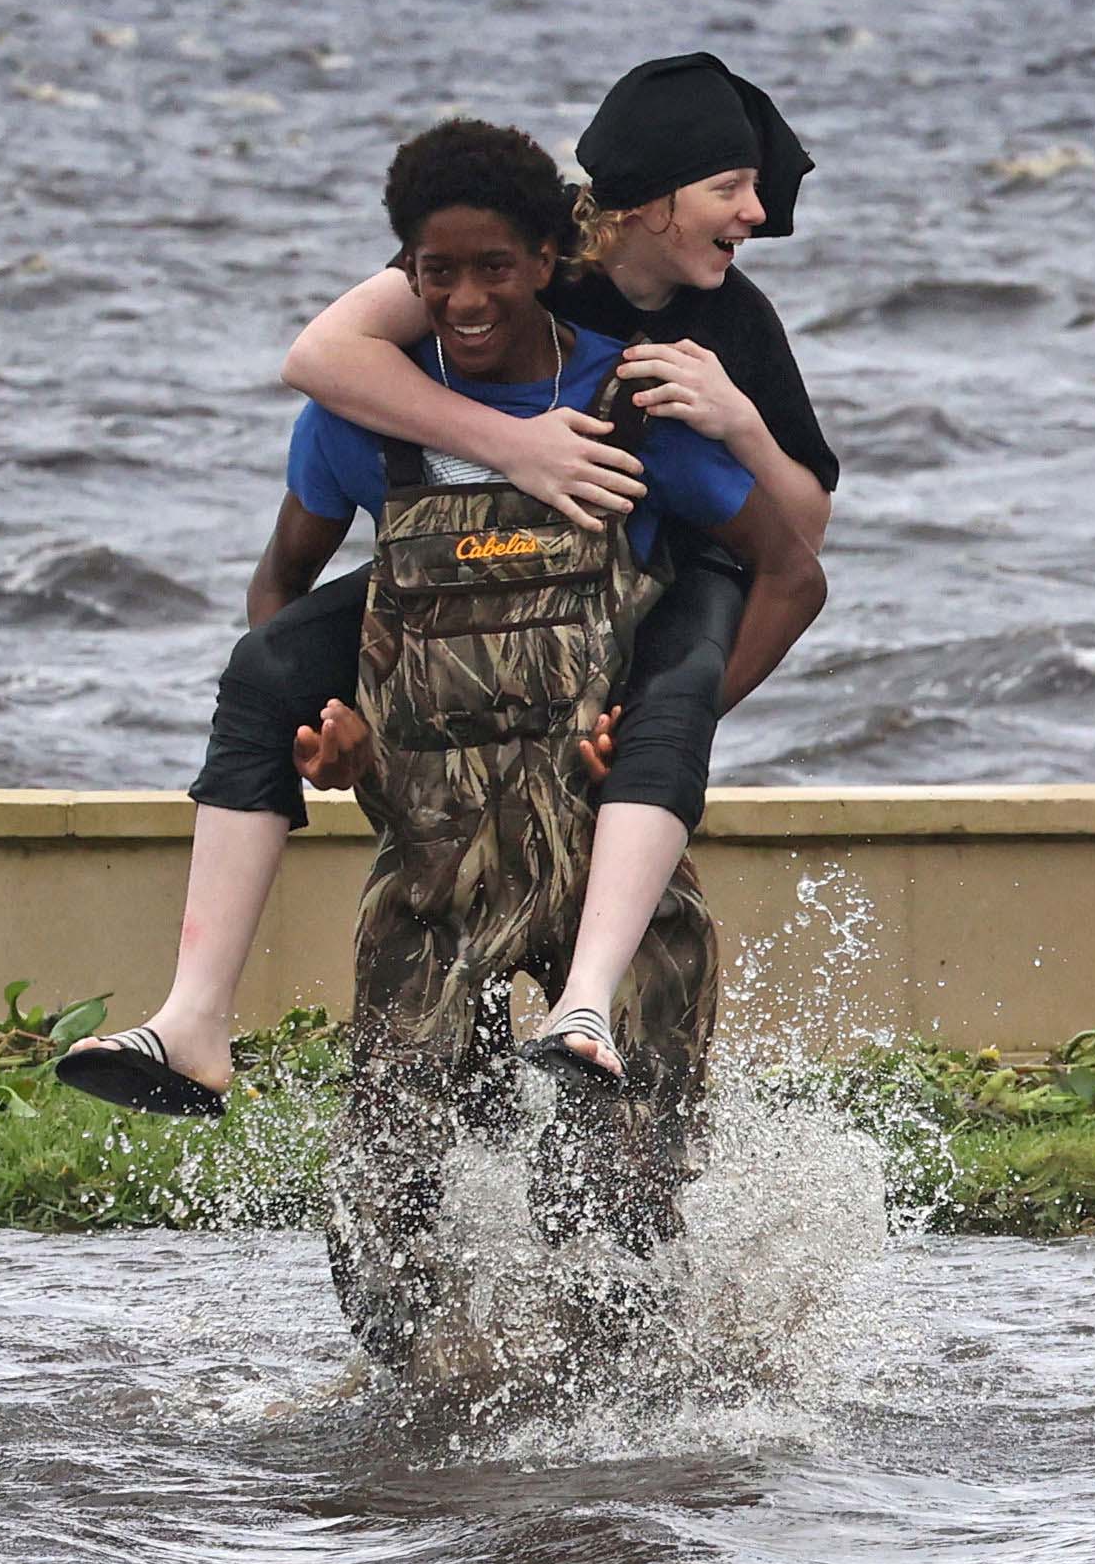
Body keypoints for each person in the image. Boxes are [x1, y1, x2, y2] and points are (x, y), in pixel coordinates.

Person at [56, 111, 829, 1113]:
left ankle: (587, 1000)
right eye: (437, 273)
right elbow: (280, 586)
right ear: (406, 273)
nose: (465, 301)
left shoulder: (631, 402)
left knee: (626, 1211)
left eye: (496, 270)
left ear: (549, 261)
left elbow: (794, 564)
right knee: (397, 1205)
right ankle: (193, 1018)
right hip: (432, 871)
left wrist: (667, 723)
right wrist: (331, 727)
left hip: (600, 856)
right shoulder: (360, 415)